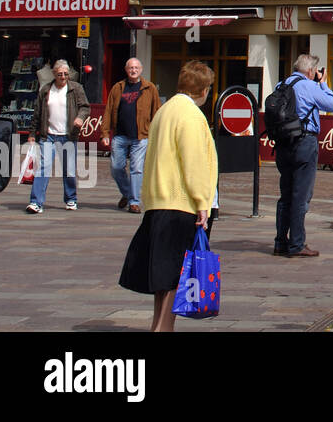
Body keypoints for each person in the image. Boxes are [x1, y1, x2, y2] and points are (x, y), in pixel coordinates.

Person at [118, 60, 218, 332]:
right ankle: (164, 329)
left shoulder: (165, 111)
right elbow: (194, 162)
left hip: (158, 203)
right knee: (176, 276)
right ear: (204, 89)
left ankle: (158, 327)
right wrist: (202, 203)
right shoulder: (191, 116)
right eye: (208, 88)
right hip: (180, 204)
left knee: (164, 279)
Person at [273, 54, 333, 257]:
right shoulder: (309, 86)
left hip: (283, 143)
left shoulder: (281, 85)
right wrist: (323, 84)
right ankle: (297, 244)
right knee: (301, 196)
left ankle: (280, 242)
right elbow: (330, 104)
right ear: (311, 71)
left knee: (285, 195)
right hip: (304, 142)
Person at [26, 60, 89, 214]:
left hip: (68, 136)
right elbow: (37, 113)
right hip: (49, 136)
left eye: (66, 74)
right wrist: (32, 134)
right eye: (60, 74)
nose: (63, 77)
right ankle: (36, 203)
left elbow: (85, 107)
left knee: (69, 170)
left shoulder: (76, 88)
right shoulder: (46, 90)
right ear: (54, 74)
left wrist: (80, 117)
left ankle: (71, 199)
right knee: (43, 168)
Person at [101, 58, 162, 213]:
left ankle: (134, 202)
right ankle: (128, 193)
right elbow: (108, 110)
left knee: (136, 169)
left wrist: (156, 134)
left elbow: (157, 111)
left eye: (136, 68)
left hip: (141, 136)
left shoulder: (150, 88)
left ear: (141, 69)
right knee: (116, 168)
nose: (133, 70)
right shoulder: (118, 87)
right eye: (130, 68)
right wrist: (105, 132)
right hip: (120, 135)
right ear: (126, 69)